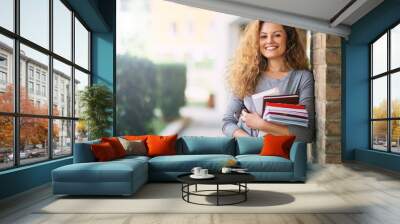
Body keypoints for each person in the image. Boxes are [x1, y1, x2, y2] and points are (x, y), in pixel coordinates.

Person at [222, 20, 315, 143]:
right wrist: (252, 143)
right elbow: (227, 123)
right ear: (256, 41)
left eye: (277, 35)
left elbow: (306, 134)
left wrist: (261, 124)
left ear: (288, 38)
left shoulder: (302, 78)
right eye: (263, 36)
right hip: (248, 154)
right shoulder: (246, 76)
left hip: (283, 157)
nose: (269, 41)